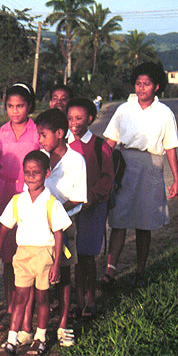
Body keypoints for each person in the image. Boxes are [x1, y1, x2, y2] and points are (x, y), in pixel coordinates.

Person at [0, 150, 71, 356]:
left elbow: (59, 235)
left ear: (47, 174)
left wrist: (57, 263)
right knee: (20, 297)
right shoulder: (18, 201)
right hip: (22, 255)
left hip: (44, 255)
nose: (31, 176)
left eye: (36, 172)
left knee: (42, 298)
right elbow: (5, 226)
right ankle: (12, 340)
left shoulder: (52, 203)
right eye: (27, 172)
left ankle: (40, 338)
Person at [102, 62, 178, 287]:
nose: (141, 88)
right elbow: (109, 142)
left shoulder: (165, 113)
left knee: (144, 223)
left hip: (151, 167)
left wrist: (176, 179)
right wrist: (102, 170)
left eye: (146, 84)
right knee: (119, 220)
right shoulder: (124, 109)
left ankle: (140, 270)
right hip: (124, 166)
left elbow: (171, 147)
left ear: (156, 87)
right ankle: (110, 271)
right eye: (138, 84)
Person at [0, 82, 40, 335]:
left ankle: (30, 308)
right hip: (5, 194)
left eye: (20, 106)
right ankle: (10, 309)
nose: (15, 111)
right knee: (9, 257)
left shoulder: (37, 132)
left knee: (29, 253)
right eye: (10, 106)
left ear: (29, 106)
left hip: (30, 195)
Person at [35, 108, 87, 346]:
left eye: (43, 135)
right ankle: (37, 325)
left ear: (59, 133)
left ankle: (64, 323)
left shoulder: (76, 160)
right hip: (39, 226)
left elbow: (79, 197)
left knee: (64, 274)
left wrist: (55, 213)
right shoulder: (38, 156)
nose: (40, 140)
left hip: (65, 226)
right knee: (41, 274)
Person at [67, 98, 114, 317]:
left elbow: (107, 177)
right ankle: (77, 300)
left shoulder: (99, 145)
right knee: (74, 256)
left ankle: (91, 299)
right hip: (71, 207)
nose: (73, 123)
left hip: (93, 207)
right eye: (70, 118)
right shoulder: (65, 144)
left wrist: (92, 197)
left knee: (88, 256)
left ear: (90, 119)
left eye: (79, 118)